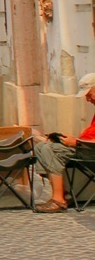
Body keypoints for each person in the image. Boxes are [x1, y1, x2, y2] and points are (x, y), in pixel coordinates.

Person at [33, 73, 95, 212]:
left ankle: (58, 200)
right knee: (40, 147)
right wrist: (72, 139)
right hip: (86, 147)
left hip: (90, 152)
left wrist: (77, 143)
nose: (88, 99)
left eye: (89, 94)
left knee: (51, 149)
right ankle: (62, 191)